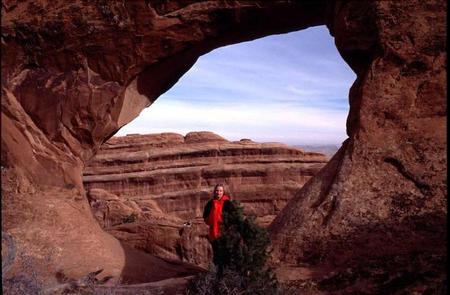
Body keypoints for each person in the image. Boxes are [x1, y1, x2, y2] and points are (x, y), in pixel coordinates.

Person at [203, 184, 236, 274]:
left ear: (223, 192)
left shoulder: (228, 203)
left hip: (224, 234)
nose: (218, 192)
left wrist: (228, 227)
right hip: (213, 233)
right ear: (214, 192)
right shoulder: (210, 203)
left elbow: (234, 216)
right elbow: (205, 217)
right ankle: (217, 275)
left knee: (226, 255)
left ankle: (227, 274)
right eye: (217, 191)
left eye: (220, 191)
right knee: (216, 255)